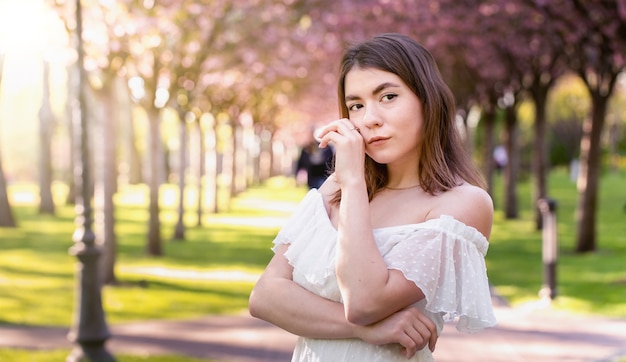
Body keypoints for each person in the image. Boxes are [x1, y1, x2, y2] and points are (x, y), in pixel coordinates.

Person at [249, 33, 496, 362]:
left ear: (427, 99)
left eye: (389, 96)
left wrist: (352, 183)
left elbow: (364, 301)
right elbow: (265, 297)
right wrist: (365, 330)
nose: (369, 119)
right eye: (356, 105)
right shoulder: (334, 190)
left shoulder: (462, 204)